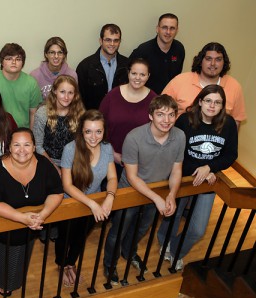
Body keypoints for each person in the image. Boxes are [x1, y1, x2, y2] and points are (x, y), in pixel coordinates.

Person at [103, 95, 185, 284]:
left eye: (171, 115)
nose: (166, 120)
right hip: (131, 191)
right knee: (119, 230)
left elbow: (177, 169)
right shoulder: (134, 137)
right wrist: (157, 198)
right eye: (161, 114)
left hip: (157, 190)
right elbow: (132, 177)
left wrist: (171, 194)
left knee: (142, 228)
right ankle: (110, 264)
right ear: (150, 116)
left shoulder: (179, 136)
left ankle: (129, 251)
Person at [158, 85, 238, 270]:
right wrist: (199, 170)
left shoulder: (228, 124)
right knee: (174, 214)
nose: (212, 105)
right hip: (184, 176)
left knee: (198, 228)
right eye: (208, 100)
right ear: (200, 101)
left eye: (217, 102)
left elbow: (231, 154)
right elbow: (175, 153)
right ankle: (165, 243)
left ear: (222, 106)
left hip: (208, 179)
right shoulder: (185, 121)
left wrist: (210, 168)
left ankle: (177, 250)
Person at [0, 128, 63, 295]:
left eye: (27, 145)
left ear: (34, 147)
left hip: (30, 228)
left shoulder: (44, 165)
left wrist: (43, 214)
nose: (22, 150)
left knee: (16, 263)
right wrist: (21, 218)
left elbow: (56, 191)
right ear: (9, 147)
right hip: (2, 228)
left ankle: (8, 282)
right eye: (16, 145)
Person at [57, 110, 117, 286]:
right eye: (88, 131)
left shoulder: (107, 148)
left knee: (80, 237)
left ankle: (70, 263)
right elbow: (67, 185)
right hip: (71, 202)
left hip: (95, 203)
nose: (93, 136)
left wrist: (109, 197)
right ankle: (61, 264)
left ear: (104, 131)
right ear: (81, 131)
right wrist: (92, 204)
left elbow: (112, 178)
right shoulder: (71, 149)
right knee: (65, 237)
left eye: (98, 131)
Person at [163, 42, 246, 128]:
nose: (213, 63)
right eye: (208, 59)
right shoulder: (179, 81)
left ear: (224, 63)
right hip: (180, 138)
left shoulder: (234, 86)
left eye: (218, 59)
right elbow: (159, 109)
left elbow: (236, 121)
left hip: (217, 139)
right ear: (200, 61)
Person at [99, 58, 157, 177]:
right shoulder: (112, 96)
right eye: (134, 73)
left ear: (148, 76)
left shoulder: (154, 100)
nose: (137, 78)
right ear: (128, 73)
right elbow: (99, 125)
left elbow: (158, 131)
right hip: (111, 159)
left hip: (142, 163)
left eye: (142, 74)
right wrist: (111, 153)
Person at [33, 75, 85, 175]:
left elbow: (81, 143)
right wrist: (56, 169)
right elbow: (38, 146)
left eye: (70, 93)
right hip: (47, 162)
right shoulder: (42, 113)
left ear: (75, 95)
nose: (66, 97)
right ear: (55, 91)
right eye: (62, 92)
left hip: (73, 162)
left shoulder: (80, 113)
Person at [0, 43, 42, 129]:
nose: (14, 62)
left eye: (18, 59)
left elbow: (33, 114)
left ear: (23, 62)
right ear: (2, 62)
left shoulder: (31, 83)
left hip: (23, 132)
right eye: (9, 59)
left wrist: (30, 135)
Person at [129, 13, 185, 94]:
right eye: (164, 27)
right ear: (157, 29)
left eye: (172, 28)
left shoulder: (179, 49)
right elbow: (129, 76)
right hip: (146, 99)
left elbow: (176, 78)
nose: (168, 32)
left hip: (168, 99)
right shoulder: (143, 50)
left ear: (177, 30)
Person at [76, 24, 129, 110]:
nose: (112, 44)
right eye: (108, 40)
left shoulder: (127, 65)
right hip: (93, 118)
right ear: (101, 41)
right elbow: (79, 99)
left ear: (119, 42)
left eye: (116, 40)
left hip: (120, 115)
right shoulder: (85, 66)